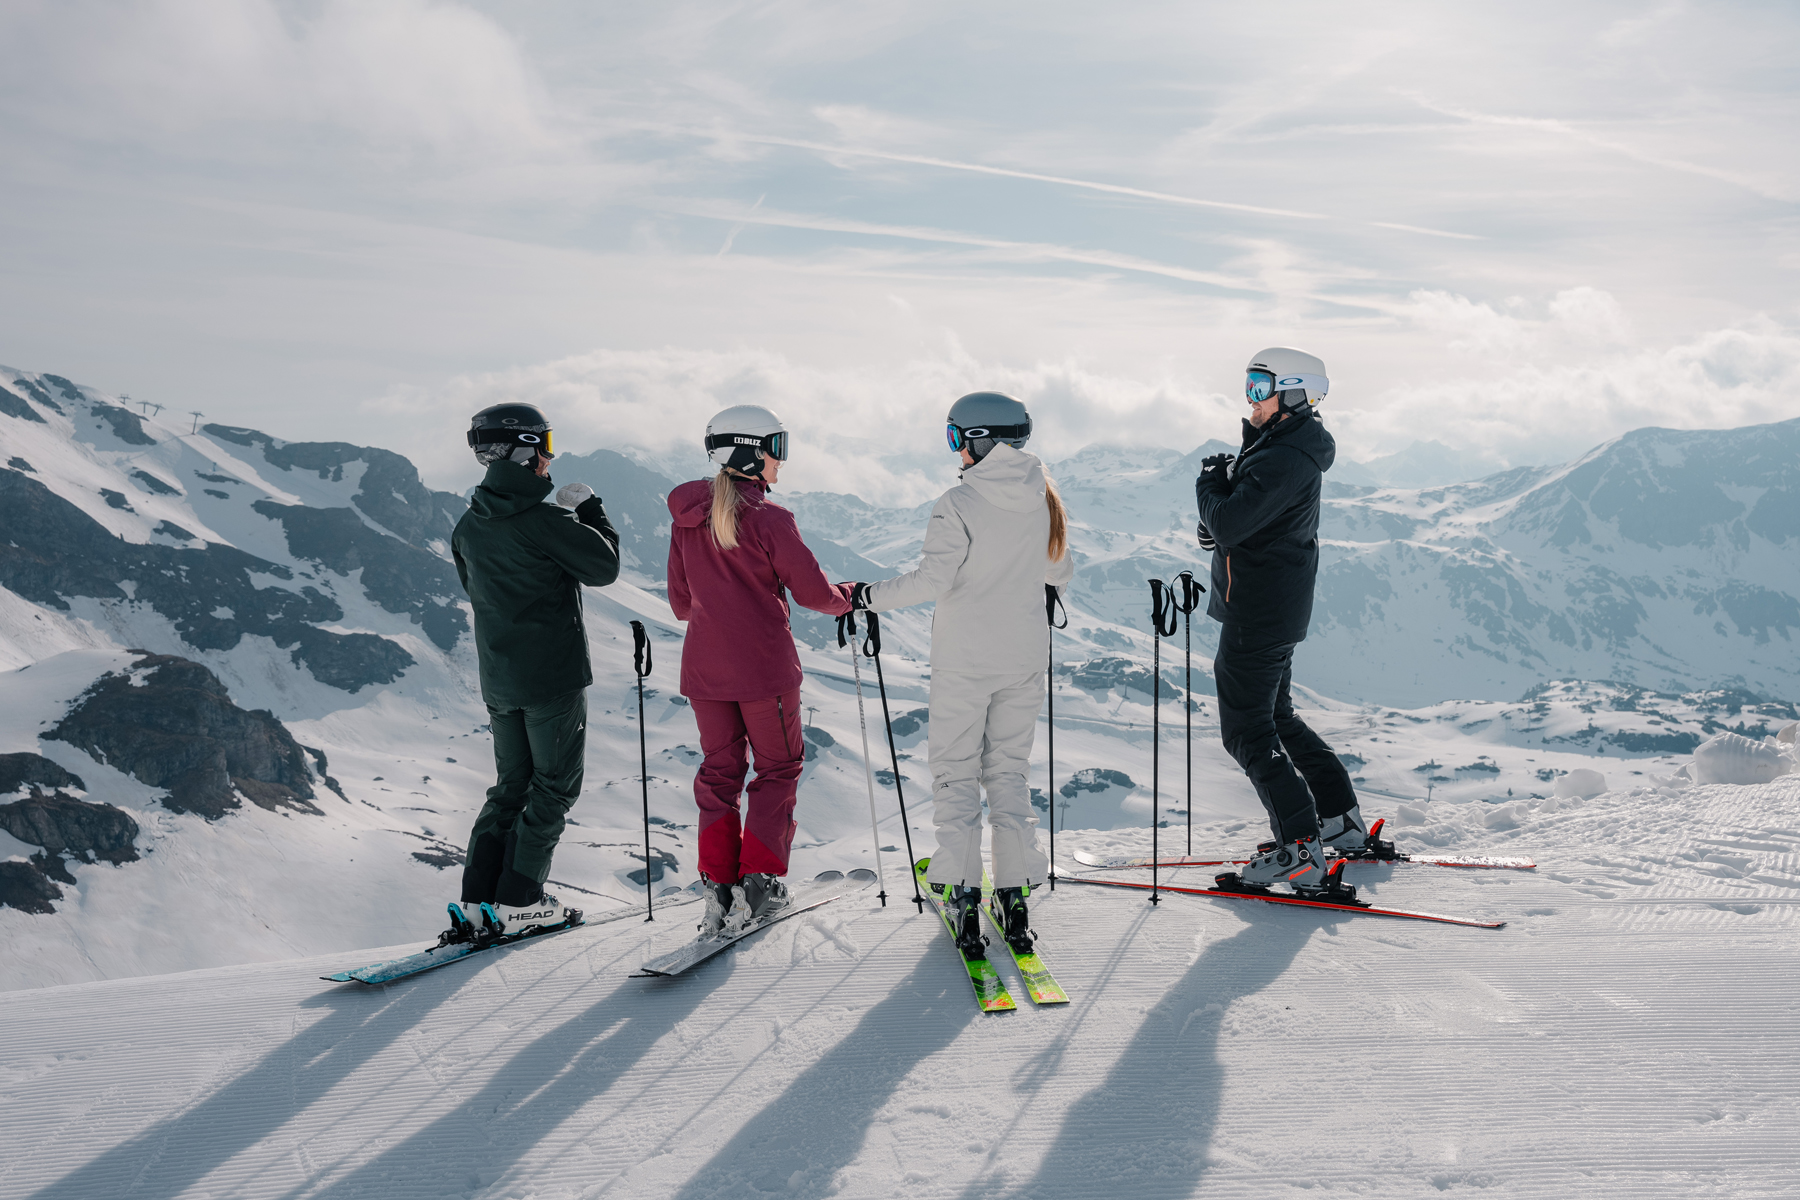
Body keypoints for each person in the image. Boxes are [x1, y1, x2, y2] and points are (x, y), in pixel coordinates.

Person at [849, 392, 1074, 959]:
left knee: (955, 774)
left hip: (965, 662)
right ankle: (1014, 895)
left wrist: (864, 596)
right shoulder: (1044, 498)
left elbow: (933, 580)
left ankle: (963, 893)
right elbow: (1059, 571)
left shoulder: (959, 502)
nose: (955, 451)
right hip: (1025, 658)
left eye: (955, 438)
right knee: (1008, 773)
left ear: (980, 439)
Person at [1195, 348, 1379, 898]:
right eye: (1248, 385)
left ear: (1294, 393)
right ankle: (1338, 821)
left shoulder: (1282, 457)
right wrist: (1221, 521)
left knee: (1247, 730)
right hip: (1275, 605)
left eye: (1260, 387)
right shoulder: (1285, 448)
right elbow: (1241, 524)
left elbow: (1230, 521)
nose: (1249, 398)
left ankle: (1300, 851)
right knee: (1276, 716)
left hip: (1257, 611)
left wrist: (1209, 487)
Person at [667, 404, 854, 938]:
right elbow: (815, 594)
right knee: (777, 769)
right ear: (751, 452)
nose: (782, 460)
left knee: (718, 775)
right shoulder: (771, 520)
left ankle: (719, 888)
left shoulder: (687, 519)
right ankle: (760, 883)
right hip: (764, 672)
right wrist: (849, 597)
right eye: (778, 447)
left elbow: (681, 604)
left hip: (705, 672)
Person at [451, 402, 620, 938]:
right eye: (544, 444)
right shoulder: (545, 519)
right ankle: (521, 903)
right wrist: (590, 510)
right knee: (552, 789)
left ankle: (479, 902)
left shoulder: (469, 525)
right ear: (524, 450)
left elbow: (475, 589)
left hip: (500, 681)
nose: (550, 456)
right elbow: (604, 568)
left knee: (509, 788)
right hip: (551, 680)